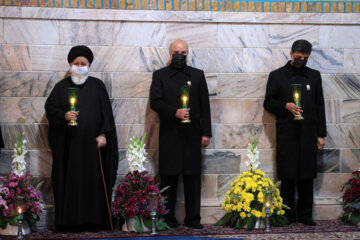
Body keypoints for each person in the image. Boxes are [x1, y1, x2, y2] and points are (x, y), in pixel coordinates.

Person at [45, 45, 118, 231]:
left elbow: (106, 114)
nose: (79, 66)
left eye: (83, 63)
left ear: (89, 65)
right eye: (76, 63)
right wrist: (64, 116)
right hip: (70, 148)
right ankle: (70, 223)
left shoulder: (97, 85)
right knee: (71, 184)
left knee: (93, 184)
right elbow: (50, 110)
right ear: (70, 64)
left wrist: (103, 134)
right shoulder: (61, 87)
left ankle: (95, 221)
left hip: (94, 148)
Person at [150, 40, 212, 229]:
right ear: (170, 53)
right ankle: (168, 219)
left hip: (193, 135)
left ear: (188, 54)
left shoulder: (198, 75)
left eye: (183, 52)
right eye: (176, 51)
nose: (180, 54)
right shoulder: (160, 75)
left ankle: (193, 219)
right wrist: (174, 112)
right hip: (170, 134)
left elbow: (205, 106)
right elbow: (155, 102)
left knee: (193, 178)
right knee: (168, 177)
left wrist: (206, 133)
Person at [263, 39, 326, 226]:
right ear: (291, 54)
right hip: (287, 133)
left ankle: (306, 215)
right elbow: (268, 102)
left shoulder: (314, 76)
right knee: (288, 175)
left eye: (305, 58)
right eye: (299, 57)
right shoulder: (277, 76)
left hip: (309, 132)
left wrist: (321, 134)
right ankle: (288, 215)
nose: (302, 60)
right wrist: (285, 105)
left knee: (307, 174)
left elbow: (319, 105)